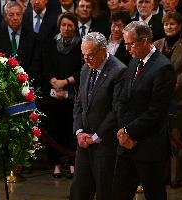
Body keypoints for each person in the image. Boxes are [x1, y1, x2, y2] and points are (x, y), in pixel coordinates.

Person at [112, 21, 176, 200]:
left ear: (144, 41)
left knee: (154, 194)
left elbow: (156, 111)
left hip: (149, 145)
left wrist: (129, 131)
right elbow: (122, 100)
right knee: (119, 192)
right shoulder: (134, 62)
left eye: (130, 43)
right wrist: (124, 132)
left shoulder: (163, 68)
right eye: (125, 43)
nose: (127, 48)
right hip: (126, 143)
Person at [69, 32, 127, 200]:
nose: (86, 59)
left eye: (91, 55)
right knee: (78, 191)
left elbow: (116, 110)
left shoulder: (119, 71)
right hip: (84, 143)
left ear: (103, 50)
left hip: (105, 144)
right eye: (83, 55)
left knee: (105, 191)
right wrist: (79, 131)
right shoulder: (86, 68)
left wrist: (96, 136)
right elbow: (79, 104)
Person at [154, 11, 182, 188]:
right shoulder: (157, 44)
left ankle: (175, 178)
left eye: (172, 24)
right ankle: (160, 176)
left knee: (177, 140)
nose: (169, 27)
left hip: (179, 100)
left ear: (179, 26)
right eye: (166, 24)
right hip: (158, 101)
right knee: (159, 140)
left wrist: (168, 89)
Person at [41, 12, 83, 179]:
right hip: (52, 93)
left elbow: (82, 68)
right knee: (53, 129)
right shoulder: (50, 43)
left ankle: (73, 163)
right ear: (59, 26)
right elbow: (45, 65)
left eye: (70, 26)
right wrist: (54, 82)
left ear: (75, 28)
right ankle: (56, 164)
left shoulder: (81, 45)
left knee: (71, 129)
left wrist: (65, 82)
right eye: (63, 25)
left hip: (72, 93)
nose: (66, 28)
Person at [0, 1, 41, 87]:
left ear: (22, 16)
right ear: (5, 17)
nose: (15, 18)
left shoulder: (33, 37)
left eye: (18, 14)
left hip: (28, 84)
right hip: (3, 85)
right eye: (11, 15)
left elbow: (36, 63)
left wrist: (24, 80)